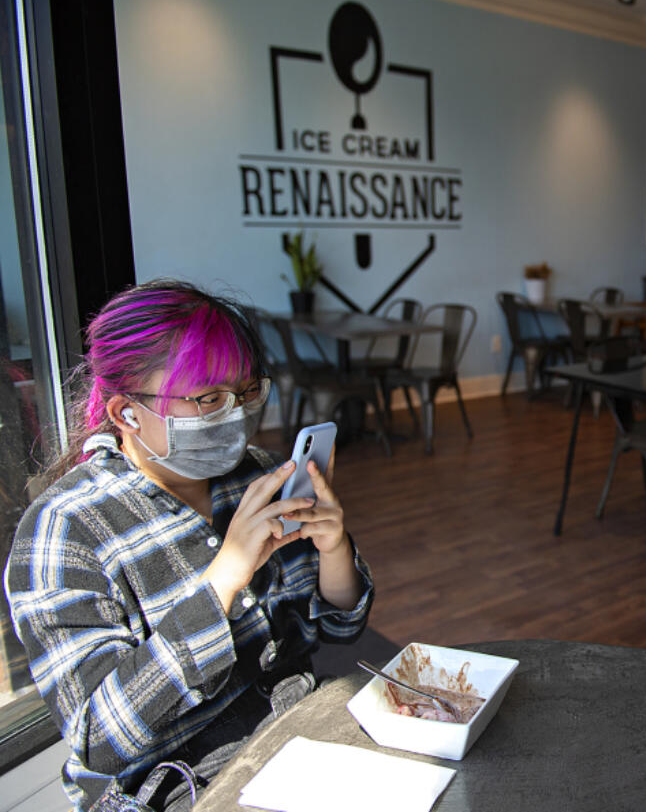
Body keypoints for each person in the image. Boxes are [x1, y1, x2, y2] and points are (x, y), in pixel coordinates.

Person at [5, 280, 374, 811]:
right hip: (175, 786)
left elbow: (341, 626)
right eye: (207, 399)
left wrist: (334, 545)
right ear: (125, 413)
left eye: (246, 393)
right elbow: (100, 740)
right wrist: (224, 578)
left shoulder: (262, 475)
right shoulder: (64, 531)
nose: (234, 415)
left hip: (294, 742)